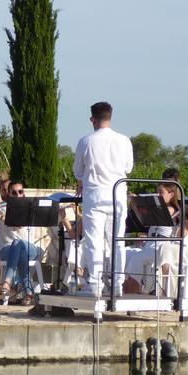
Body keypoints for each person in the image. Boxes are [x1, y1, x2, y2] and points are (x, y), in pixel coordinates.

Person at [73, 101, 134, 296]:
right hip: (117, 196)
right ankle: (117, 284)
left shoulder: (86, 141)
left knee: (94, 241)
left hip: (95, 195)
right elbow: (128, 168)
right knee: (118, 241)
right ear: (110, 117)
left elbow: (78, 171)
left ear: (93, 119)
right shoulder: (124, 140)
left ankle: (95, 283)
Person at [0, 180, 42, 305]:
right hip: (8, 250)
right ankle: (28, 293)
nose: (18, 195)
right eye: (14, 193)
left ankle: (7, 281)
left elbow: (20, 224)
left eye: (20, 192)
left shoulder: (30, 208)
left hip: (30, 247)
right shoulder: (2, 208)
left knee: (18, 243)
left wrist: (0, 217)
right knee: (18, 249)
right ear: (9, 194)